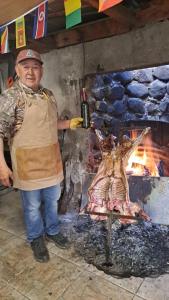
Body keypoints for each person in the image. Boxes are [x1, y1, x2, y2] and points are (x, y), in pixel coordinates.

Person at [0, 49, 83, 263]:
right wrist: (2, 165)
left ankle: (53, 230)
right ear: (18, 70)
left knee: (52, 200)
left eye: (35, 67)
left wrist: (68, 124)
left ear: (41, 70)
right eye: (25, 66)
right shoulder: (11, 97)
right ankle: (36, 237)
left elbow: (50, 124)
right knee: (32, 206)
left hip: (51, 162)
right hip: (28, 165)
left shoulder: (48, 94)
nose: (30, 71)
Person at [85, 127, 151, 223]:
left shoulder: (98, 208)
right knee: (122, 155)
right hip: (116, 173)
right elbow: (135, 208)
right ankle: (105, 138)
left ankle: (104, 138)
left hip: (106, 174)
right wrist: (141, 213)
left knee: (110, 155)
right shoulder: (125, 206)